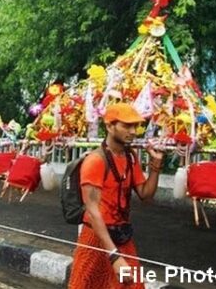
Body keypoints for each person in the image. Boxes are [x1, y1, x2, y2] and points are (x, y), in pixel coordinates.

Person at [68, 103, 164, 289]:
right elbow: (93, 210)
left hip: (121, 236)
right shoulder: (95, 160)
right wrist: (113, 256)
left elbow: (145, 194)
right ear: (110, 126)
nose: (133, 131)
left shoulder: (130, 157)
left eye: (136, 126)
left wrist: (156, 165)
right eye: (127, 126)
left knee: (133, 285)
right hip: (96, 238)